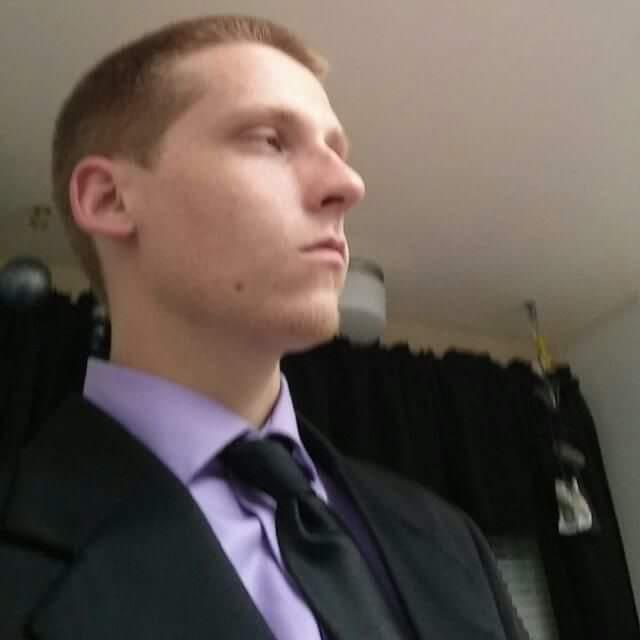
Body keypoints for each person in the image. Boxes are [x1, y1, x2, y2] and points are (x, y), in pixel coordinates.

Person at [0, 14, 528, 640]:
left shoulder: (450, 539)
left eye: (337, 151)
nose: (349, 184)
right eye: (271, 140)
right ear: (111, 199)